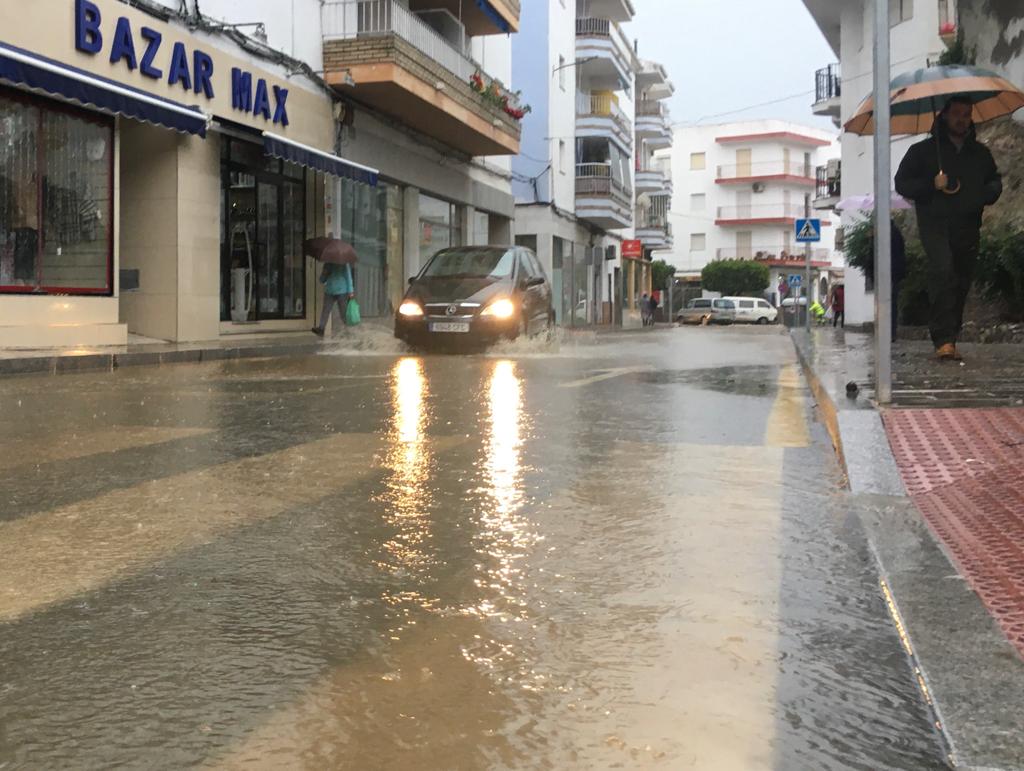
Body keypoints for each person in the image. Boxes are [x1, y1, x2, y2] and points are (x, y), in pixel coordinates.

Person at [895, 96, 1002, 360]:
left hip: (967, 224)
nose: (961, 119)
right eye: (956, 114)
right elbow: (902, 184)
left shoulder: (980, 154)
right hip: (935, 223)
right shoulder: (922, 152)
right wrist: (931, 184)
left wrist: (986, 194)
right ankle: (943, 339)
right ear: (944, 115)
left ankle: (950, 337)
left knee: (961, 279)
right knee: (944, 272)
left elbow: (994, 182)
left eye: (966, 115)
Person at [312, 262, 354, 337]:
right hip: (332, 290)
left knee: (341, 312)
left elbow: (348, 276)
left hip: (339, 290)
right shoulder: (330, 263)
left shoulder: (343, 263)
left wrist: (350, 291)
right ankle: (321, 329)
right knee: (327, 310)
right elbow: (322, 280)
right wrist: (324, 273)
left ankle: (348, 330)